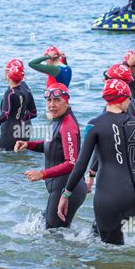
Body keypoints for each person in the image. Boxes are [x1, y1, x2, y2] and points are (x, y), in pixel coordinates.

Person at [58, 79, 135, 245]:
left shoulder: (94, 125)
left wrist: (66, 194)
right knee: (111, 237)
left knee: (110, 250)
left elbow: (80, 165)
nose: (130, 102)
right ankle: (132, 268)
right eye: (129, 98)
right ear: (122, 99)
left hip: (109, 196)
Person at [14, 83, 86, 229]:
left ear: (66, 102)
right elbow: (51, 145)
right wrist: (29, 145)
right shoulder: (58, 120)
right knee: (48, 229)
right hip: (59, 188)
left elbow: (71, 163)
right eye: (49, 100)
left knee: (54, 236)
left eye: (57, 100)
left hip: (67, 189)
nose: (52, 105)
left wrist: (42, 174)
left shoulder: (68, 125)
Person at [87, 63, 135, 192]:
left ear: (116, 82)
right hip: (133, 174)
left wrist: (91, 174)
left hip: (116, 177)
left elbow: (101, 144)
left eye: (106, 78)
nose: (103, 80)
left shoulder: (115, 111)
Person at [0, 59, 37, 151]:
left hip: (10, 130)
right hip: (25, 128)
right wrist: (20, 119)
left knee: (4, 157)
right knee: (19, 157)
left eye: (6, 71)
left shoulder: (10, 92)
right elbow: (32, 112)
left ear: (10, 73)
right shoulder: (25, 89)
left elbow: (6, 114)